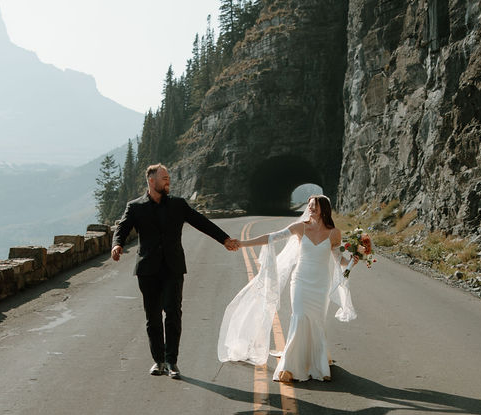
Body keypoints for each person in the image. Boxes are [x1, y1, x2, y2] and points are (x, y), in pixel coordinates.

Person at [111, 163, 240, 379]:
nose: (168, 180)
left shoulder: (178, 205)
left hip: (173, 267)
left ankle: (172, 361)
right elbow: (122, 228)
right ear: (151, 181)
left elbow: (201, 222)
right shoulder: (135, 207)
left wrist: (224, 239)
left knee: (172, 313)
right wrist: (117, 244)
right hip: (147, 269)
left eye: (169, 177)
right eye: (164, 177)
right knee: (152, 317)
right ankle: (158, 361)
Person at [218, 194, 356, 382]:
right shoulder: (300, 227)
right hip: (300, 281)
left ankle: (318, 361)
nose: (311, 209)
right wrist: (243, 243)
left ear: (324, 207)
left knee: (316, 321)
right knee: (299, 317)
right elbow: (271, 237)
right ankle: (290, 366)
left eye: (314, 205)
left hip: (321, 284)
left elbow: (339, 259)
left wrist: (354, 260)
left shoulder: (334, 233)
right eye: (309, 205)